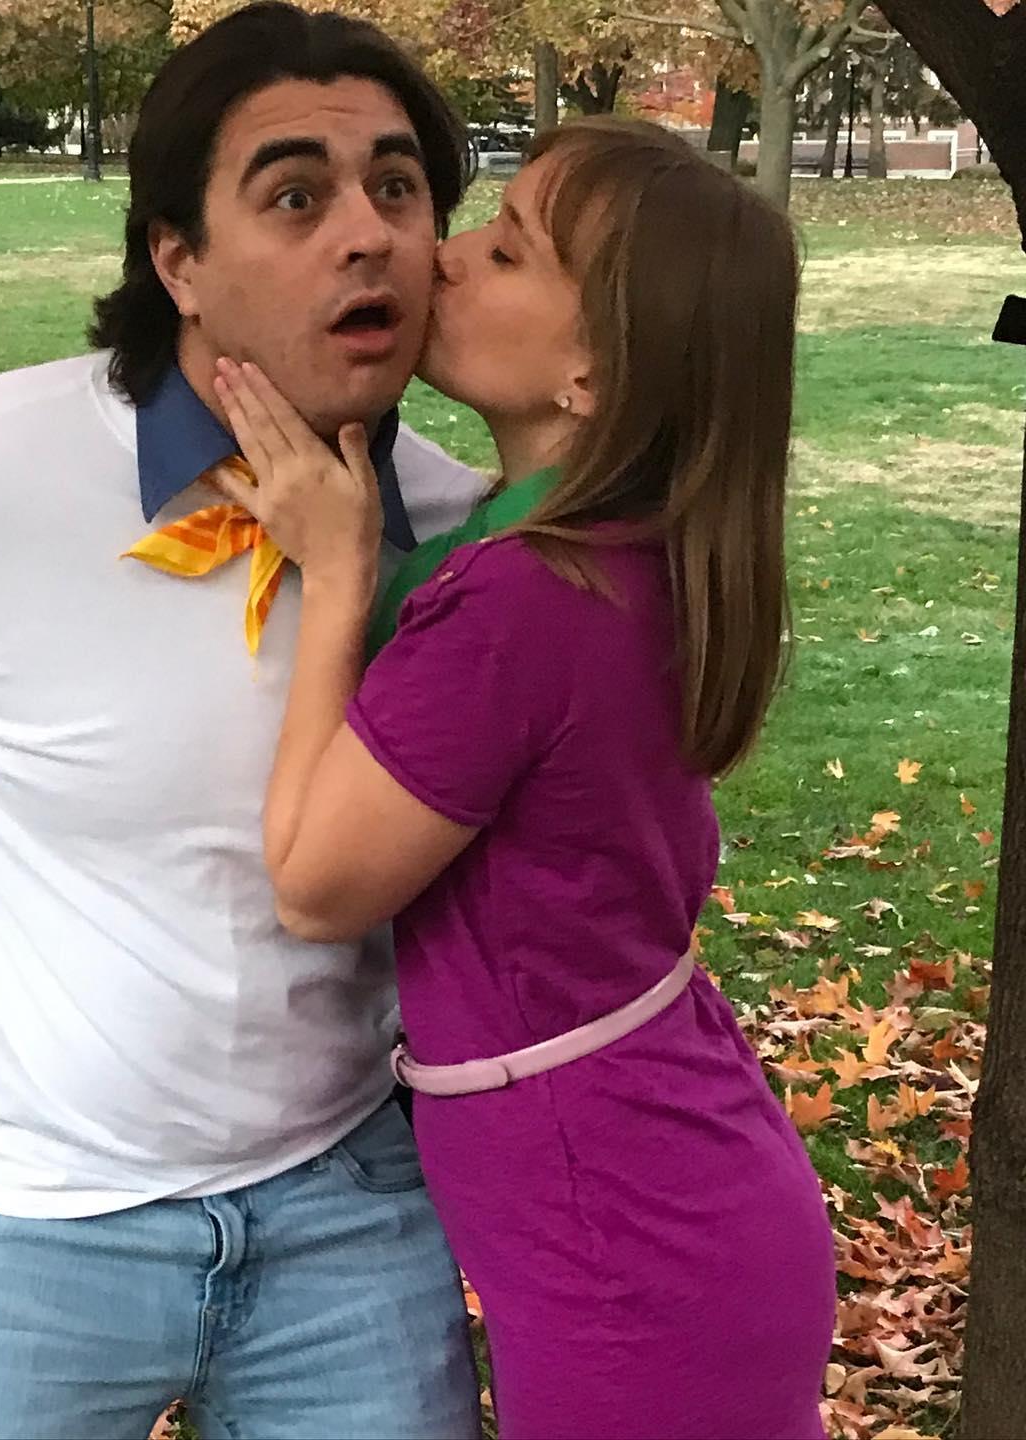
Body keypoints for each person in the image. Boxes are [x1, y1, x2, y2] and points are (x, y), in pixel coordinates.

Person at [0, 7, 486, 1437]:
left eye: (397, 186)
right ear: (178, 260)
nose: (366, 234)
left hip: (350, 1219)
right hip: (23, 1239)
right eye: (295, 196)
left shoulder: (456, 532)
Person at [210, 117, 838, 1440]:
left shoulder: (525, 601)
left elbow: (316, 884)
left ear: (593, 372)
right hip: (666, 1189)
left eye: (507, 252)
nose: (444, 255)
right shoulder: (625, 547)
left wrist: (339, 573)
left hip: (626, 1250)